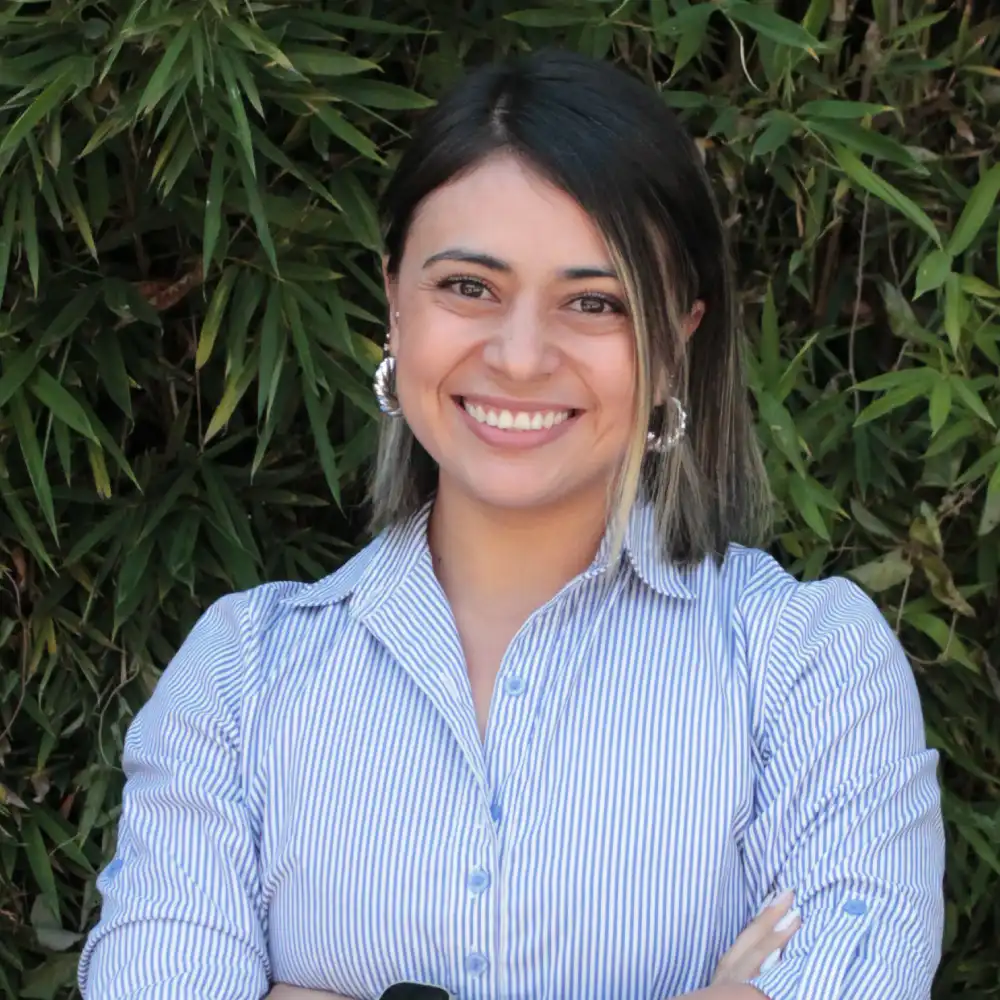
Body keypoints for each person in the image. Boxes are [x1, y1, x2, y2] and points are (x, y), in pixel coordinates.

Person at [78, 49, 945, 1000]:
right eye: (468, 287)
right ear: (394, 305)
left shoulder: (805, 665)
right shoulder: (242, 678)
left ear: (674, 344)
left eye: (595, 303)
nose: (522, 357)